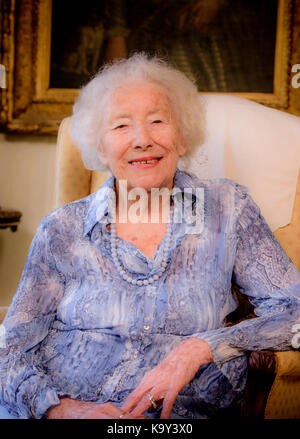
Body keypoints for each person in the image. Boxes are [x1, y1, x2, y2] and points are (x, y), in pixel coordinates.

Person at [0, 53, 299, 420]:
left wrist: (203, 346)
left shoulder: (228, 210)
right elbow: (9, 350)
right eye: (121, 126)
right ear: (101, 149)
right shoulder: (61, 229)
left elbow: (295, 310)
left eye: (158, 121)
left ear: (183, 137)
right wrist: (63, 410)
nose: (142, 140)